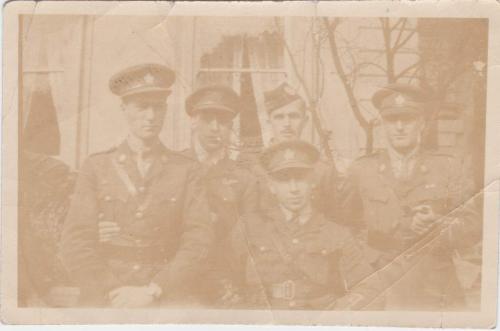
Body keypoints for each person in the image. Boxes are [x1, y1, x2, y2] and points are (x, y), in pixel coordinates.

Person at [60, 63, 215, 308]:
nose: (151, 116)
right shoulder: (96, 166)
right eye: (142, 107)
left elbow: (199, 239)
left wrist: (155, 289)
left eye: (158, 107)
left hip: (167, 290)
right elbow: (74, 241)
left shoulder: (186, 169)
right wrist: (112, 289)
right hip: (106, 292)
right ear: (124, 109)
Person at [341, 83, 480, 310]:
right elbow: (345, 226)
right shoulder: (361, 171)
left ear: (422, 123)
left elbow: (473, 226)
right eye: (391, 120)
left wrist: (439, 225)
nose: (399, 127)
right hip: (382, 282)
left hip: (435, 282)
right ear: (383, 125)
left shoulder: (448, 167)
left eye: (407, 119)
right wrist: (365, 262)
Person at [232, 140, 381, 310]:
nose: (294, 188)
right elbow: (228, 278)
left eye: (300, 178)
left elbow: (369, 288)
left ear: (312, 182)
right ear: (271, 186)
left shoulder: (336, 234)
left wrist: (337, 316)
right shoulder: (250, 228)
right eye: (284, 180)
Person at [180, 85, 257, 306]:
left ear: (231, 126)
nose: (215, 128)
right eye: (207, 119)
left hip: (224, 283)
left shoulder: (244, 178)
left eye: (223, 122)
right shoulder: (173, 167)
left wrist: (228, 282)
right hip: (173, 281)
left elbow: (246, 239)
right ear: (193, 122)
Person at [254, 83, 339, 222]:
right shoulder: (255, 169)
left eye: (293, 116)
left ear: (305, 121)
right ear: (268, 122)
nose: (287, 123)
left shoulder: (323, 170)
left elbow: (334, 218)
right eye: (279, 117)